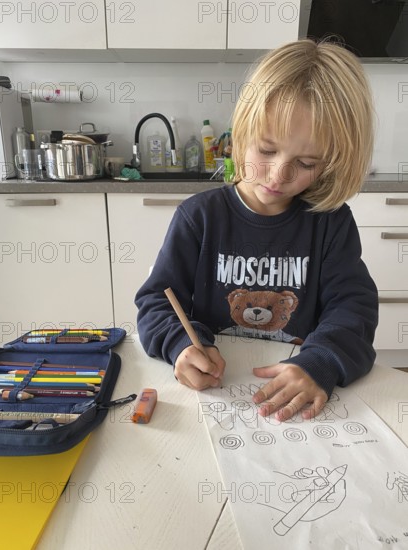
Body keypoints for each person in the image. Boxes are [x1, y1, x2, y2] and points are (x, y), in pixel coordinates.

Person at [135, 38, 378, 422]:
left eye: (307, 162)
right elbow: (157, 303)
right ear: (242, 132)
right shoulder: (198, 217)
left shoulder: (331, 222)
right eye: (266, 150)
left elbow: (353, 308)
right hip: (213, 399)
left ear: (331, 163)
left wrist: (323, 360)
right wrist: (181, 346)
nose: (279, 175)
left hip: (296, 398)